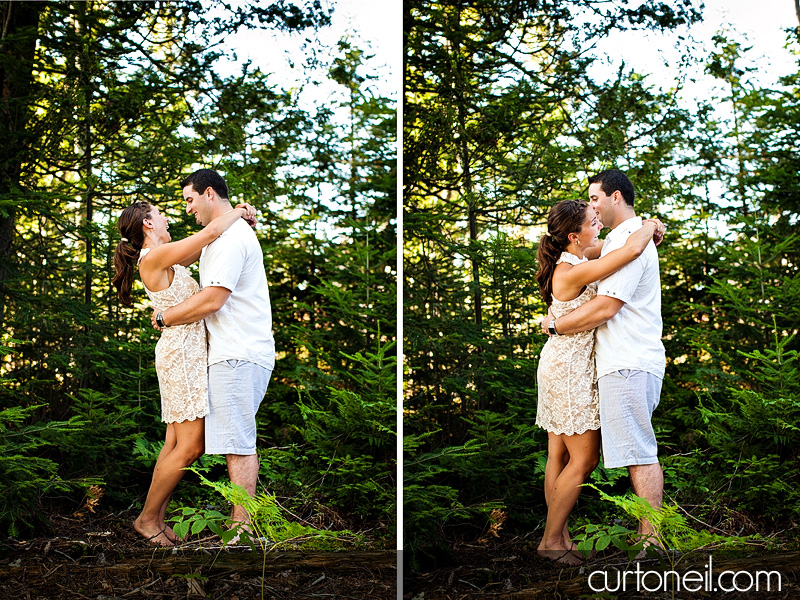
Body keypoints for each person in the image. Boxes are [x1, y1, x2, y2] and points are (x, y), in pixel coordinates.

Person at [112, 199, 255, 546]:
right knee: (191, 446)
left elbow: (205, 245)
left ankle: (154, 519)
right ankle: (147, 519)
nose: (166, 219)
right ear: (147, 223)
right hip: (182, 354)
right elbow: (209, 232)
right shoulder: (156, 257)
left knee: (175, 442)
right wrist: (238, 211)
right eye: (159, 214)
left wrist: (235, 228)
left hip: (185, 351)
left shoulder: (165, 255)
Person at [542, 169, 667, 556]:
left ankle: (561, 538)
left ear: (615, 197)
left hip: (602, 361)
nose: (593, 210)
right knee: (581, 458)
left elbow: (611, 296)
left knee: (564, 455)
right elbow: (623, 253)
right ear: (574, 236)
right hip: (570, 365)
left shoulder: (594, 248)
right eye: (588, 216)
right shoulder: (581, 261)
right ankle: (553, 540)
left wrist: (647, 227)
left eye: (595, 201)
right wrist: (557, 327)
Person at [151, 169, 275, 539]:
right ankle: (240, 524)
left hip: (237, 352)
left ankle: (242, 529)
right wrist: (239, 211)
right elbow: (184, 255)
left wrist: (164, 317)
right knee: (231, 441)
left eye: (189, 199)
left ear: (208, 193)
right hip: (231, 352)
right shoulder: (220, 236)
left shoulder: (231, 237)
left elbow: (214, 298)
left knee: (237, 443)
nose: (186, 208)